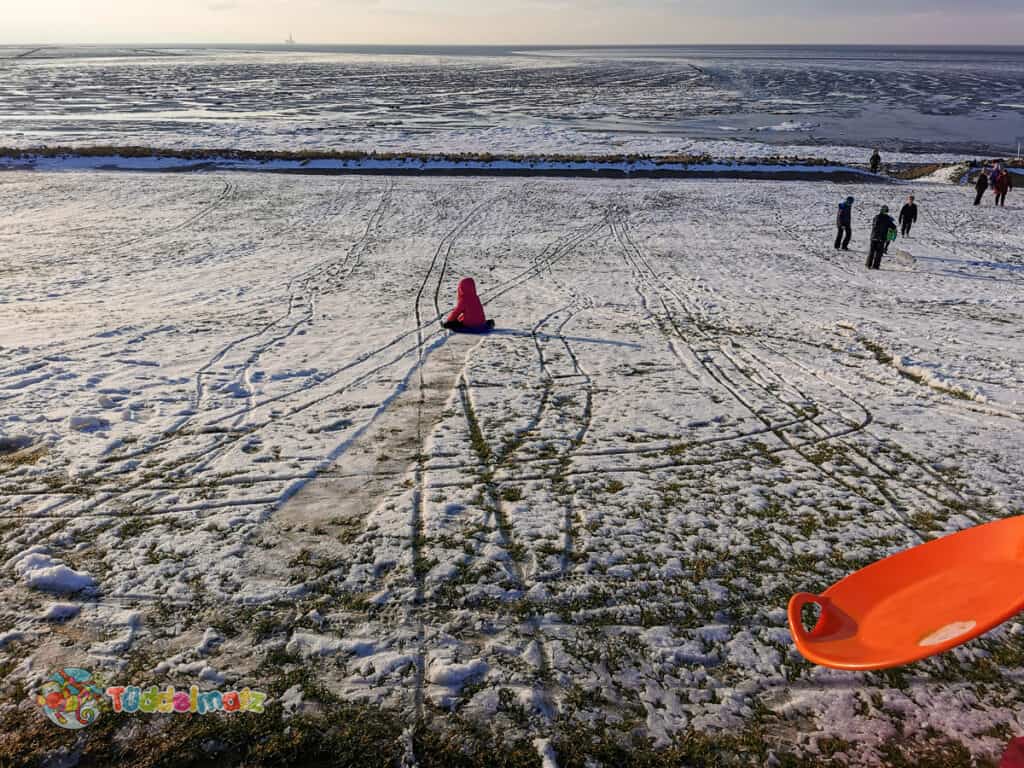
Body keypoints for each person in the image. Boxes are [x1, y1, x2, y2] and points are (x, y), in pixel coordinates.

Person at [866, 205, 896, 270]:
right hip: (881, 238)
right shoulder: (887, 218)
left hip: (873, 236)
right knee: (879, 253)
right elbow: (893, 227)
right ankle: (875, 266)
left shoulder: (876, 217)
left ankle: (868, 264)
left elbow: (873, 225)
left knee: (872, 251)